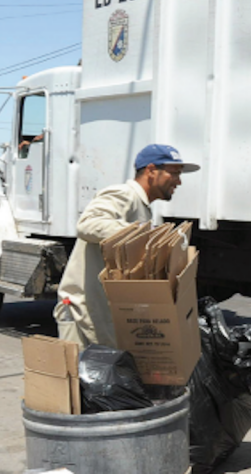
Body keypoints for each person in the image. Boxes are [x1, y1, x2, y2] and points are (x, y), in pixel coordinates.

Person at [54, 144, 200, 348]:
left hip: (101, 313)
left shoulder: (144, 209)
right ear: (150, 170)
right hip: (82, 311)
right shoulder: (124, 194)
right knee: (77, 378)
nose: (179, 181)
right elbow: (88, 224)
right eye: (174, 173)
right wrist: (148, 236)